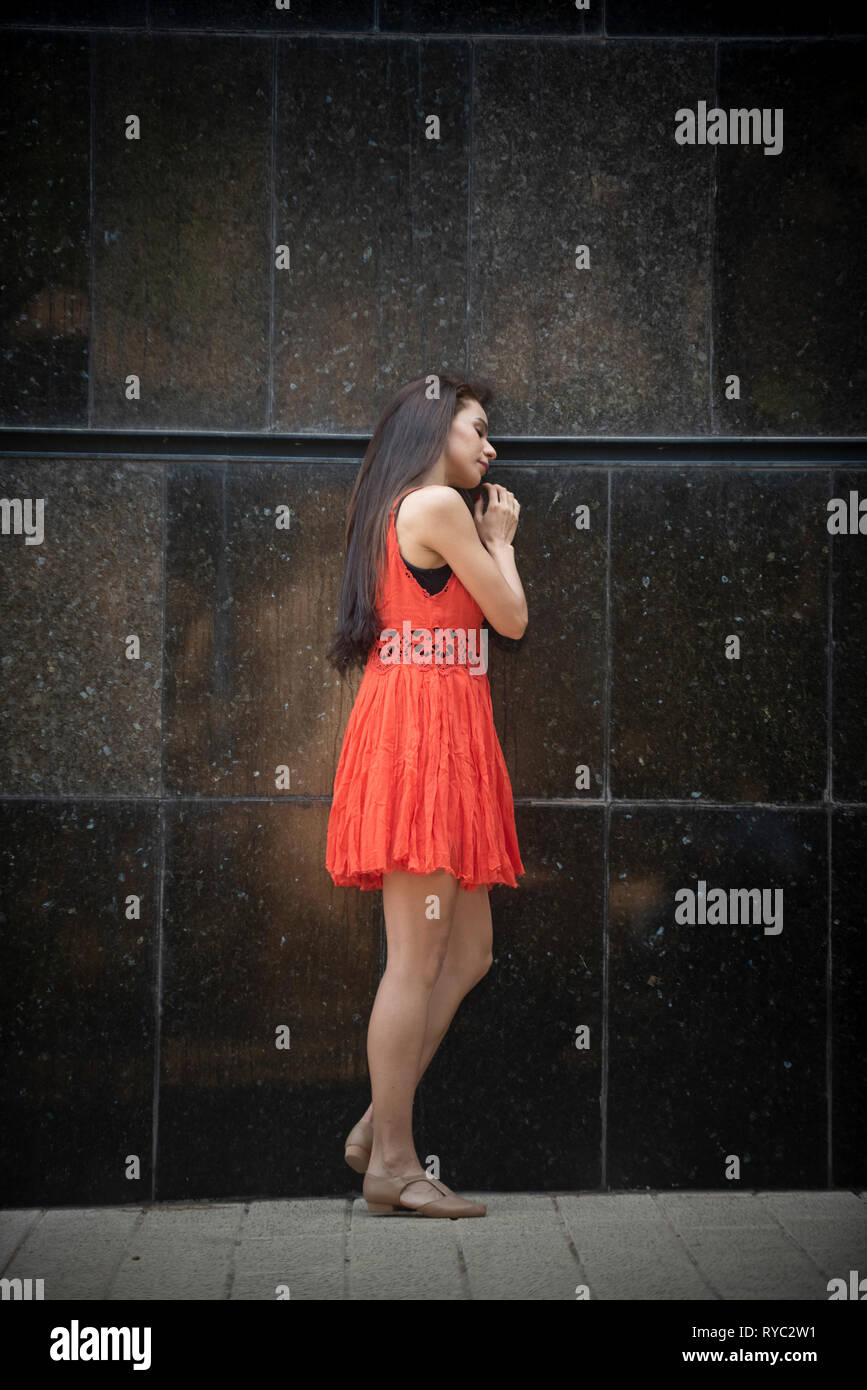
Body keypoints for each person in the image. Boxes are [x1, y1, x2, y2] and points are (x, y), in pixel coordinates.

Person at [325, 373, 527, 1218]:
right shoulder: (438, 506)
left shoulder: (392, 507)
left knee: (468, 951)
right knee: (414, 960)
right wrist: (505, 539)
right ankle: (394, 1170)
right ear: (434, 430)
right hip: (422, 742)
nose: (490, 448)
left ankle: (379, 1122)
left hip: (439, 731)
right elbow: (510, 618)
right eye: (476, 430)